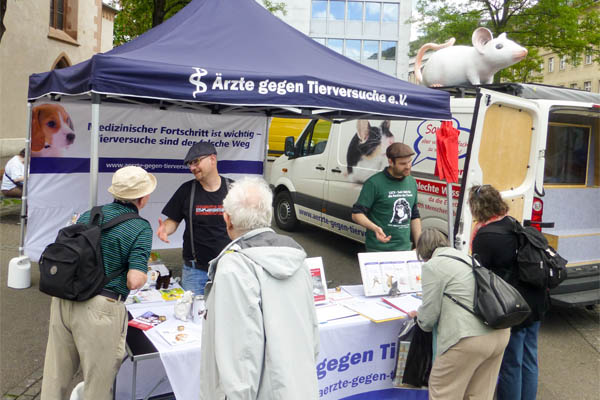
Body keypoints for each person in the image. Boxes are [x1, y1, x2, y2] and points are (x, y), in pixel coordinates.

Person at [40, 166, 157, 400]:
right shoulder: (140, 227)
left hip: (65, 299)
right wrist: (145, 272)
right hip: (101, 310)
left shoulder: (90, 214)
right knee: (98, 385)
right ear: (142, 197)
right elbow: (134, 280)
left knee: (55, 377)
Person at [199, 176, 319, 400]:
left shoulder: (234, 266)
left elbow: (240, 353)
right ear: (269, 215)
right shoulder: (298, 259)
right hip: (298, 387)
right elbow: (312, 333)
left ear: (227, 219)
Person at [468, 184, 548, 400]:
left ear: (477, 208)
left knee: (511, 363)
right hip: (535, 299)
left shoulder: (485, 235)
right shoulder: (513, 224)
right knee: (529, 358)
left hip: (513, 305)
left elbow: (479, 274)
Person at [410, 228, 510, 400]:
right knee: (478, 395)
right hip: (499, 332)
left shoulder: (433, 266)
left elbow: (427, 318)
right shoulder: (466, 257)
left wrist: (418, 315)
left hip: (467, 338)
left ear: (423, 251)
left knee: (444, 392)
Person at [157, 141, 231, 295]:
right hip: (195, 272)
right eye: (190, 164)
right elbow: (173, 221)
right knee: (191, 316)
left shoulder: (234, 190)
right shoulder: (186, 190)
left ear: (212, 159)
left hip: (229, 268)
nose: (192, 168)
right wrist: (165, 229)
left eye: (196, 161)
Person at [351, 142, 422, 251]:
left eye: (409, 162)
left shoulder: (411, 182)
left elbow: (414, 215)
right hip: (378, 249)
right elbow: (356, 214)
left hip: (404, 249)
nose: (408, 166)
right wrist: (374, 228)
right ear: (390, 162)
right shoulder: (374, 183)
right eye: (403, 164)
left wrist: (419, 244)